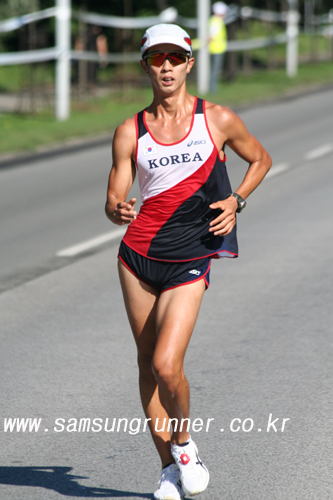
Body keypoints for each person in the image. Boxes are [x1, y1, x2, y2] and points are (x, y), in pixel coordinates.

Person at [105, 23, 271, 500]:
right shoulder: (129, 130)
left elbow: (260, 159)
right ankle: (167, 470)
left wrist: (236, 200)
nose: (167, 67)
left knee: (166, 363)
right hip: (137, 258)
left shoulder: (215, 119)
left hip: (191, 257)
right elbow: (115, 194)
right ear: (146, 66)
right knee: (145, 364)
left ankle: (184, 445)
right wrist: (117, 208)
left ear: (189, 63)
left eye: (175, 58)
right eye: (157, 58)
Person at [208, 2, 228, 92]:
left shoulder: (214, 20)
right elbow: (211, 36)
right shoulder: (217, 21)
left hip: (215, 48)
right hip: (216, 49)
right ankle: (213, 90)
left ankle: (213, 89)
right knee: (215, 71)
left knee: (214, 70)